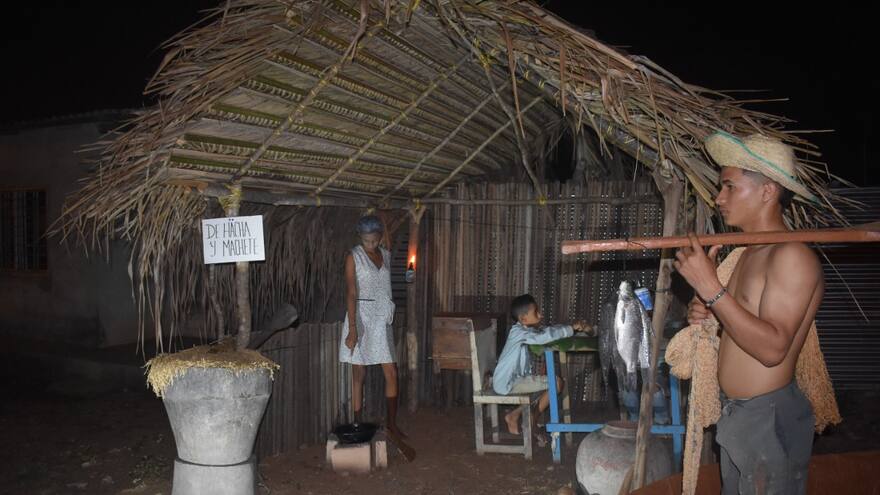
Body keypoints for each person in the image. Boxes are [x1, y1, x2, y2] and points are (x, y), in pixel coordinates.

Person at [674, 132, 823, 494]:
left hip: (768, 417)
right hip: (740, 415)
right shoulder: (748, 254)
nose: (718, 197)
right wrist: (712, 311)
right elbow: (743, 325)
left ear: (767, 191)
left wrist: (713, 291)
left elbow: (772, 349)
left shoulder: (791, 256)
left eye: (729, 187)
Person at [339, 215, 403, 436]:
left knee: (391, 371)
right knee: (359, 373)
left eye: (374, 240)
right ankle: (358, 424)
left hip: (381, 318)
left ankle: (392, 425)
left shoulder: (385, 254)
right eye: (366, 241)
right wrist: (353, 329)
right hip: (361, 316)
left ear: (380, 237)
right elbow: (351, 292)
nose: (370, 244)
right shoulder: (353, 257)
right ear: (361, 237)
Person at [493, 294, 591, 436]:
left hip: (515, 380)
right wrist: (571, 328)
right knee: (556, 383)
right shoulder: (518, 332)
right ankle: (533, 418)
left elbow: (547, 330)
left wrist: (572, 327)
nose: (540, 314)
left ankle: (515, 415)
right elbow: (544, 337)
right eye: (536, 312)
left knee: (549, 385)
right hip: (508, 383)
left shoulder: (525, 329)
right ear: (523, 318)